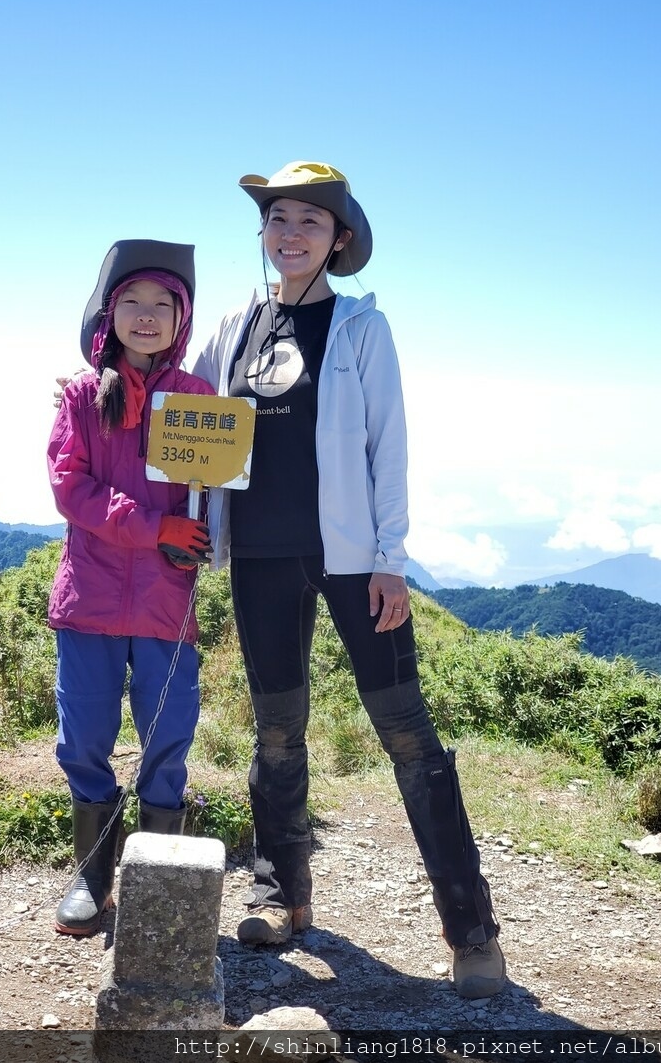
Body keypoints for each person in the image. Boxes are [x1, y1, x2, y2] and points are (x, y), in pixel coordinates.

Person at [191, 161, 506, 999]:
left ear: (340, 239)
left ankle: (470, 928)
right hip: (258, 554)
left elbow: (387, 445)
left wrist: (392, 559)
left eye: (310, 222)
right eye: (279, 219)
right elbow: (190, 421)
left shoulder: (362, 328)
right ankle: (280, 891)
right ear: (264, 233)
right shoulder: (233, 325)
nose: (291, 233)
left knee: (409, 735)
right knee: (275, 731)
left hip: (353, 560)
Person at [48, 239, 214, 936]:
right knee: (84, 735)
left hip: (164, 601)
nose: (146, 317)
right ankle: (93, 875)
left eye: (162, 305)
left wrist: (202, 528)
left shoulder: (201, 401)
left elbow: (215, 491)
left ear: (183, 318)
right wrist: (156, 529)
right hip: (88, 598)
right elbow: (70, 487)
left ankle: (158, 875)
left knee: (167, 735)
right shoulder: (85, 396)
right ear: (107, 313)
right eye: (132, 303)